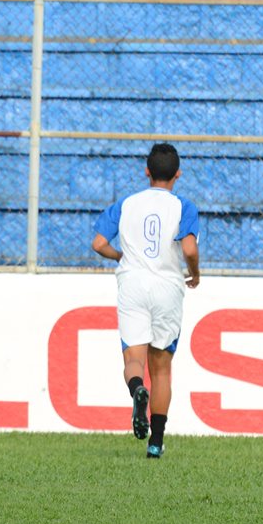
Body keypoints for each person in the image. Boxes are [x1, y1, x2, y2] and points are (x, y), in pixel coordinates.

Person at [92, 142, 200, 460]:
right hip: (167, 285)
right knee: (162, 368)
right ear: (177, 174)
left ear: (146, 171)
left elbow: (98, 243)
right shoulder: (183, 206)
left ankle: (137, 389)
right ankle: (156, 442)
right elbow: (190, 249)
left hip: (133, 284)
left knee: (134, 360)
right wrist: (194, 273)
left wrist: (121, 256)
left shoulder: (127, 204)